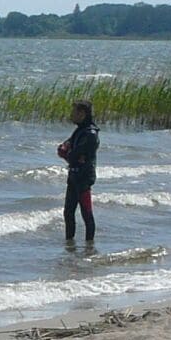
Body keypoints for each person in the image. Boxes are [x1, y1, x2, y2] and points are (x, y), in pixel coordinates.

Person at [57, 99, 99, 244]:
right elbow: (64, 147)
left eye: (74, 112)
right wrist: (66, 152)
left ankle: (89, 247)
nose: (71, 115)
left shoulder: (90, 134)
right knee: (68, 213)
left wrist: (68, 154)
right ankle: (70, 244)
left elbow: (73, 155)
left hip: (84, 178)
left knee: (86, 214)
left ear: (82, 114)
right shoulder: (79, 130)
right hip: (73, 176)